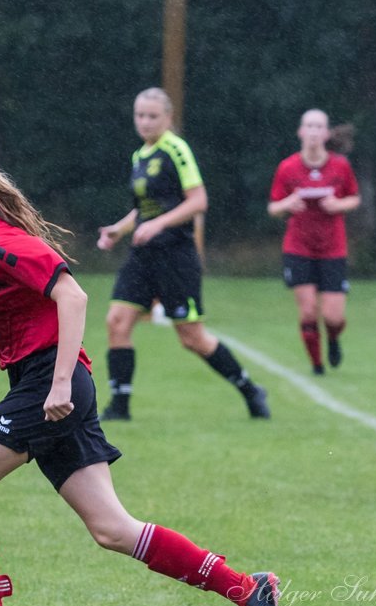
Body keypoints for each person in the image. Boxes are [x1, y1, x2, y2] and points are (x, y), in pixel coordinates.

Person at [0, 132, 281, 606]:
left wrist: (60, 382)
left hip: (50, 386)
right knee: (113, 529)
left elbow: (72, 294)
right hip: (41, 385)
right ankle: (249, 591)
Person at [97, 88, 270, 421]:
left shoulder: (176, 150)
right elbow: (144, 212)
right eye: (140, 115)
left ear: (168, 118)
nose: (145, 122)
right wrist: (121, 229)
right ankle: (119, 407)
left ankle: (250, 389)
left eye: (152, 116)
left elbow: (198, 201)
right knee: (116, 322)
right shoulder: (140, 156)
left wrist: (159, 225)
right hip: (143, 256)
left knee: (191, 338)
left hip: (175, 256)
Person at [267, 108, 361, 375]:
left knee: (333, 317)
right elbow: (273, 208)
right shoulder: (287, 167)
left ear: (327, 133)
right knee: (308, 312)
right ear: (300, 132)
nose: (314, 132)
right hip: (298, 247)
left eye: (319, 127)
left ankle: (332, 337)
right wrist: (288, 204)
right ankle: (317, 364)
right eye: (309, 126)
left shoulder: (340, 166)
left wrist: (337, 204)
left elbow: (354, 198)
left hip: (333, 248)